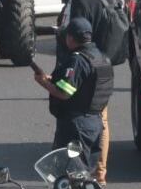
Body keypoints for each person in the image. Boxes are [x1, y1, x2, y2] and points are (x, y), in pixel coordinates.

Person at [59, 0, 122, 182]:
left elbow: (76, 34)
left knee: (82, 119)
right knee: (103, 120)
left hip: (85, 67)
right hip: (106, 65)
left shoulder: (82, 0)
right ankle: (101, 172)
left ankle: (84, 171)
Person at [33, 17, 111, 174]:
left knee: (70, 173)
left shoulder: (77, 60)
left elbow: (64, 93)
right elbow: (84, 84)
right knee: (86, 171)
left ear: (70, 38)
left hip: (76, 126)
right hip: (95, 122)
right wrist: (52, 79)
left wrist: (43, 82)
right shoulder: (102, 58)